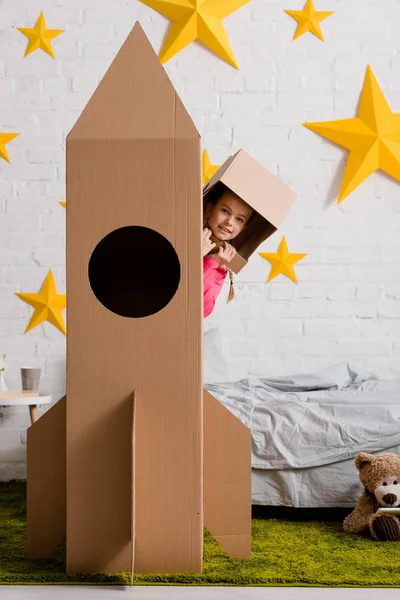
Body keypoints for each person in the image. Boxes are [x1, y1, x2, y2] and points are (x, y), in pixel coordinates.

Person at [202, 189, 254, 318]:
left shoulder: (223, 260)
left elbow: (203, 310)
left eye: (239, 219)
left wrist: (211, 262)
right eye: (225, 211)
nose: (230, 222)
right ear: (209, 210)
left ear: (243, 228)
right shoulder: (183, 235)